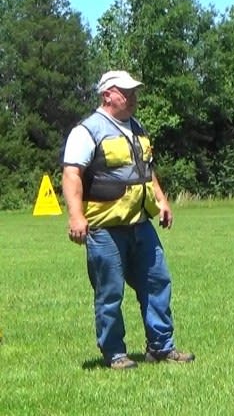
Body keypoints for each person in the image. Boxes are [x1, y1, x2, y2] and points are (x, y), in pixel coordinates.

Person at [61, 70, 194, 369]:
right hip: (105, 228)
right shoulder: (87, 130)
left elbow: (146, 169)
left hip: (140, 223)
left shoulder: (137, 127)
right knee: (110, 292)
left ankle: (161, 347)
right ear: (107, 94)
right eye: (126, 92)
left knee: (158, 282)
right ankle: (114, 353)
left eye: (134, 92)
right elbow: (71, 175)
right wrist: (75, 216)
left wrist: (161, 201)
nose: (133, 97)